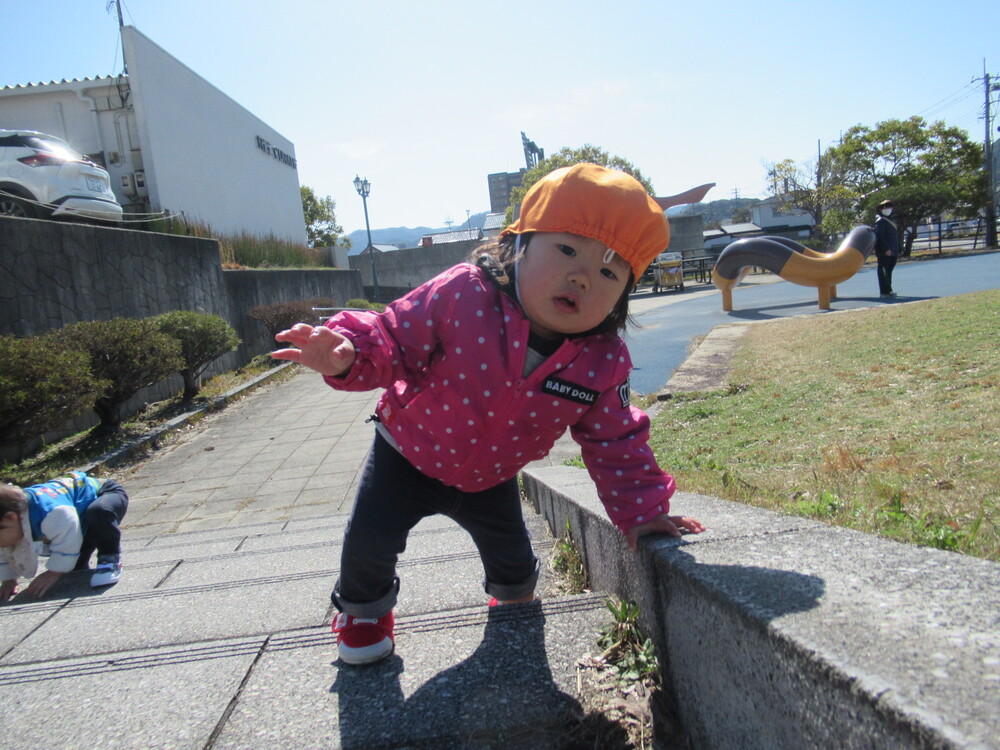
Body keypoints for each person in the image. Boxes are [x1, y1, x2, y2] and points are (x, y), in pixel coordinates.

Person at [273, 163, 706, 665]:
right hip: (405, 451)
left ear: (623, 294)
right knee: (370, 540)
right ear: (518, 244)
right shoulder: (463, 293)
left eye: (609, 272)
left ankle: (513, 591)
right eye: (566, 249)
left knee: (513, 562)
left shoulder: (600, 361)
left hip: (491, 474)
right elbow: (395, 335)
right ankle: (363, 611)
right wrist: (350, 353)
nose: (582, 276)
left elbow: (616, 441)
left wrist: (643, 514)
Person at [0, 471, 128, 601]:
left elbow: (68, 530)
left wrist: (53, 572)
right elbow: (4, 550)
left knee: (98, 512)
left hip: (104, 493)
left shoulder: (49, 511)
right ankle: (79, 565)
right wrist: (9, 579)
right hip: (78, 520)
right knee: (74, 570)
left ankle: (109, 558)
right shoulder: (12, 521)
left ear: (11, 517)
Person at [873, 199, 900, 297]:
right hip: (885, 252)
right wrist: (885, 249)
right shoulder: (880, 222)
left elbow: (895, 236)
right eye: (883, 207)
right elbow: (880, 237)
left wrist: (899, 247)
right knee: (884, 271)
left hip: (893, 250)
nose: (886, 209)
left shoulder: (892, 220)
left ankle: (888, 290)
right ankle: (884, 291)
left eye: (888, 206)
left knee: (889, 271)